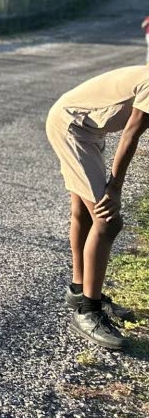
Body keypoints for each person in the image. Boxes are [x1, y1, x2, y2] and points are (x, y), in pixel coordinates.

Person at [45, 65, 147, 351]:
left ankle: (80, 291)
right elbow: (131, 135)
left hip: (86, 130)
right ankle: (88, 312)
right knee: (108, 220)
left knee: (83, 211)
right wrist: (114, 188)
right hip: (72, 127)